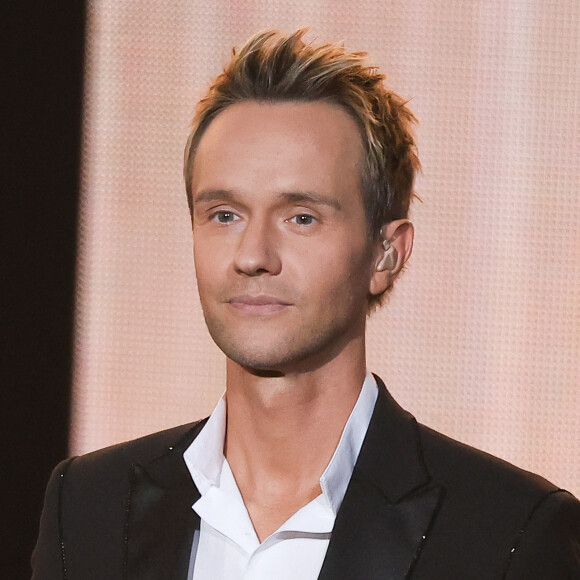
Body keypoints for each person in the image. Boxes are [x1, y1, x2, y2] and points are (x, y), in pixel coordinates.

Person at [32, 28, 580, 579]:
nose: (253, 256)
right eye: (224, 215)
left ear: (385, 254)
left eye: (301, 218)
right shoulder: (88, 507)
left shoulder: (508, 531)